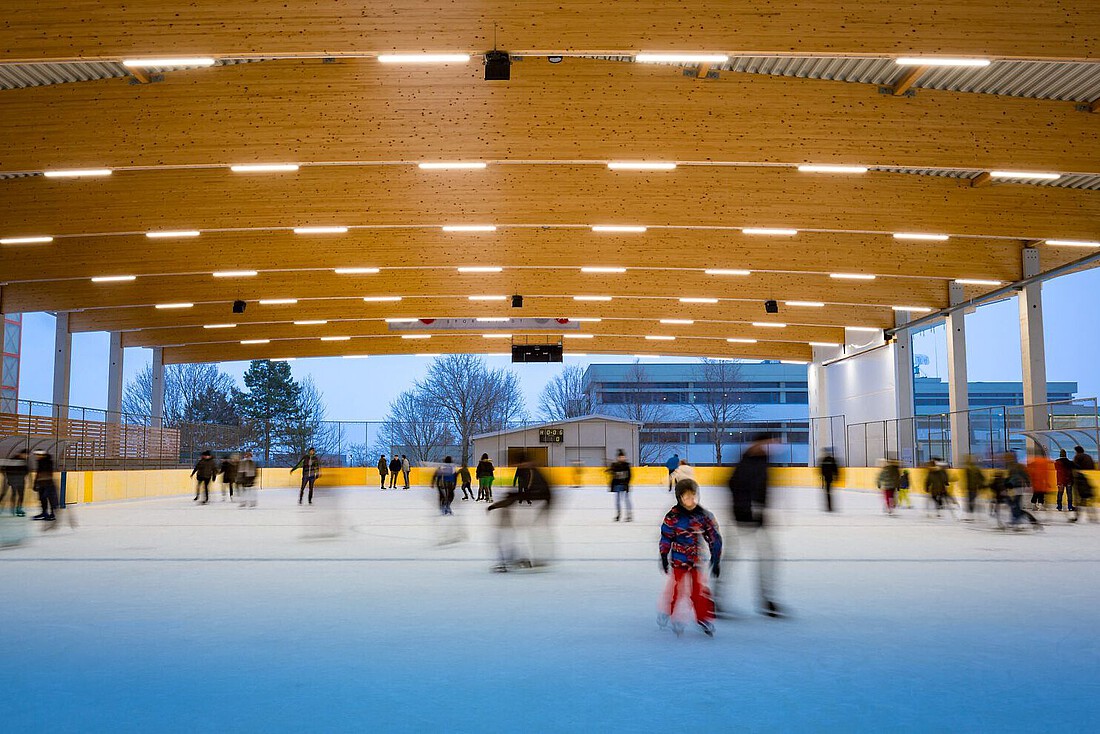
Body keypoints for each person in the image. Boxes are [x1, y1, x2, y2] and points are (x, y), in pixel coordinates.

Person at [727, 432, 783, 618]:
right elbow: (733, 486)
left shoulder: (763, 461)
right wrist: (746, 510)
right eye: (769, 442)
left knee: (767, 557)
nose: (772, 447)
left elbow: (763, 489)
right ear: (760, 442)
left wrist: (763, 509)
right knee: (730, 558)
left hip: (758, 518)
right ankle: (717, 600)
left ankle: (767, 599)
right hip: (740, 517)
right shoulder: (745, 462)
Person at [658, 479, 722, 637]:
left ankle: (703, 618)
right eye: (686, 497)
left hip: (695, 560)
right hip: (679, 561)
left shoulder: (702, 516)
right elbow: (666, 537)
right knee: (676, 590)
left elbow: (714, 536)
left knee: (698, 591)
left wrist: (716, 557)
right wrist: (664, 556)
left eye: (693, 496)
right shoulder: (673, 517)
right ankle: (672, 613)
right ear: (679, 498)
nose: (690, 501)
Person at [487, 452, 555, 571]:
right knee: (507, 529)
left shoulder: (531, 472)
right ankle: (515, 559)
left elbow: (529, 493)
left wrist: (504, 501)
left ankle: (511, 559)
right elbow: (524, 492)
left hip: (537, 504)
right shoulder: (529, 471)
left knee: (505, 529)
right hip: (534, 503)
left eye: (519, 463)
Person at [1004, 452, 1040, 529]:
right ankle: (1016, 519)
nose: (1005, 459)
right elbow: (1023, 475)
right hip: (1015, 487)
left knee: (1015, 505)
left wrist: (1027, 483)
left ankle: (1028, 520)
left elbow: (1019, 476)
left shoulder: (1015, 466)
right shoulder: (1013, 466)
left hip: (1018, 487)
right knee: (1014, 505)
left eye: (1007, 458)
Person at [1070, 446, 1096, 523]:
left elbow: (1074, 467)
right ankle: (1092, 517)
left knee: (1079, 501)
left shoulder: (1078, 457)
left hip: (1080, 482)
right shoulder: (1089, 456)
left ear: (1077, 451)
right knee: (1087, 500)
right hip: (1089, 480)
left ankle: (1077, 517)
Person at [32, 450, 58, 522]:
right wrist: (35, 483)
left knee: (50, 498)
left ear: (43, 455)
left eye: (38, 455)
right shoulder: (40, 462)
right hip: (41, 484)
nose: (37, 457)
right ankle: (44, 513)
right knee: (42, 499)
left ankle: (53, 514)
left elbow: (47, 473)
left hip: (48, 484)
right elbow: (38, 474)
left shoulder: (48, 462)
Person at [607, 450, 632, 522]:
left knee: (626, 501)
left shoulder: (627, 465)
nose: (622, 458)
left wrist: (627, 483)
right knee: (617, 501)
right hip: (617, 485)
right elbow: (613, 475)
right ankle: (618, 514)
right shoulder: (615, 465)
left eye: (623, 457)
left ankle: (629, 515)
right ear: (618, 458)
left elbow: (629, 476)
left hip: (624, 485)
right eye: (620, 457)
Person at [1, 450, 28, 517]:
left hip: (20, 481)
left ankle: (18, 509)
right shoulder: (13, 460)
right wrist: (9, 478)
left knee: (21, 495)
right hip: (14, 481)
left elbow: (26, 471)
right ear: (21, 454)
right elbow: (4, 469)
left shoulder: (24, 461)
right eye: (25, 454)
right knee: (14, 494)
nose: (26, 456)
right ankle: (13, 508)